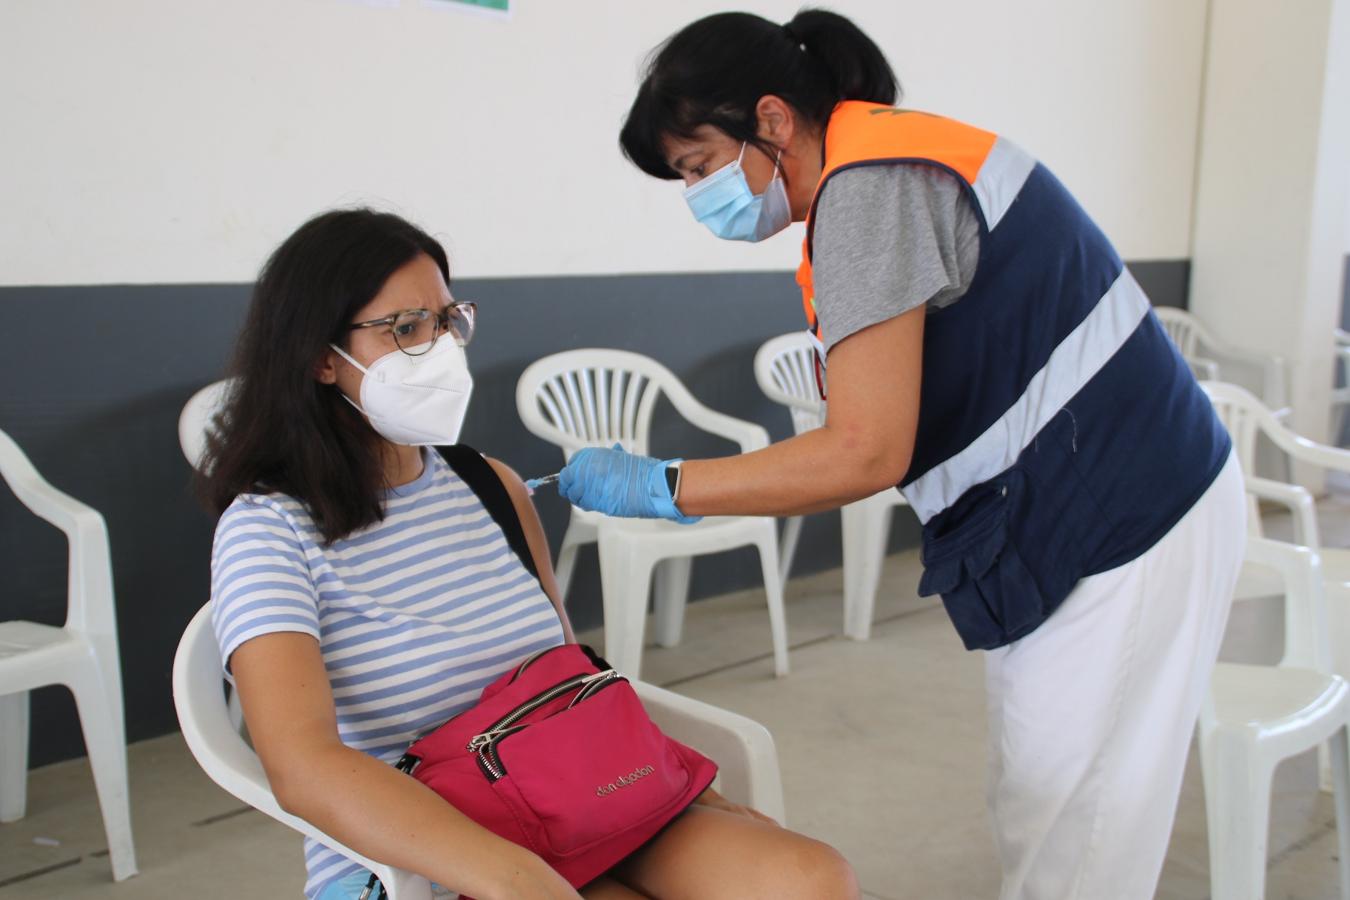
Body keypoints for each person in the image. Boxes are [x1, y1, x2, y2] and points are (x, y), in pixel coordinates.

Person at [552, 10, 1246, 899]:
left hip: (1125, 515)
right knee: (1039, 795)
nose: (700, 195)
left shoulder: (872, 187)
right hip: (1089, 508)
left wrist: (665, 484)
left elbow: (863, 452)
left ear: (770, 119)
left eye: (699, 166)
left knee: (1080, 833)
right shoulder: (875, 168)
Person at [201, 208, 858, 900]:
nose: (442, 347)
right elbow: (303, 767)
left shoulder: (489, 485)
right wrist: (518, 879)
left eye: (447, 320)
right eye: (405, 328)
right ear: (318, 357)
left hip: (561, 800)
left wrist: (677, 785)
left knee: (810, 880)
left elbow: (564, 681)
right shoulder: (268, 530)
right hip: (417, 850)